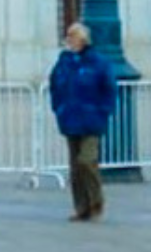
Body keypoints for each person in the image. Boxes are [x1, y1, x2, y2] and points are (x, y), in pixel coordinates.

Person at [49, 21, 116, 222]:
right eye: (68, 36)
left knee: (87, 160)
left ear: (83, 39)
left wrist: (103, 110)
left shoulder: (98, 62)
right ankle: (81, 207)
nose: (69, 40)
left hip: (91, 119)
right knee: (75, 167)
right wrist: (58, 108)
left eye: (73, 36)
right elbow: (54, 85)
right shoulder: (64, 62)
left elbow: (109, 88)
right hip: (70, 118)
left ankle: (96, 200)